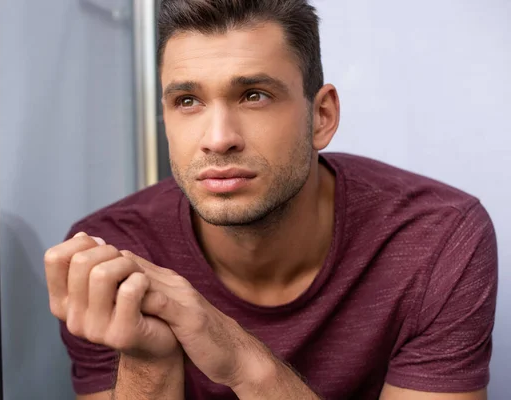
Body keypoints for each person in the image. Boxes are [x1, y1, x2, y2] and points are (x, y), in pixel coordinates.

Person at [43, 1, 498, 399]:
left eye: (254, 95)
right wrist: (148, 360)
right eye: (187, 100)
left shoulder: (435, 238)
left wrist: (240, 359)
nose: (218, 140)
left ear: (322, 116)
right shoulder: (112, 257)